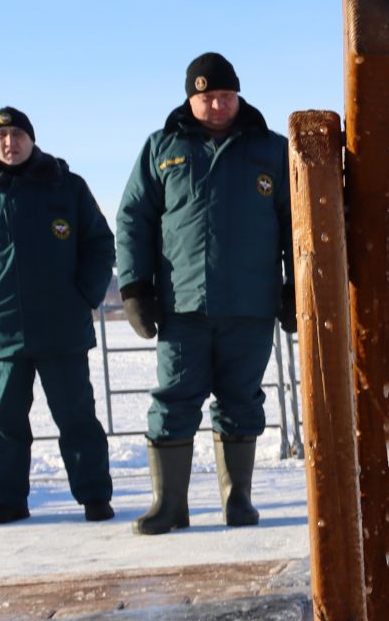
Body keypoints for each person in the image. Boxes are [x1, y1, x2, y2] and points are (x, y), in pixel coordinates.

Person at [117, 53, 294, 536]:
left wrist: (297, 289)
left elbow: (294, 223)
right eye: (206, 97)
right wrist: (134, 287)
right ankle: (168, 504)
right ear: (190, 98)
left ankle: (238, 500)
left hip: (250, 305)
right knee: (174, 400)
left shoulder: (272, 150)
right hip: (182, 305)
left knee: (241, 400)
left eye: (225, 95)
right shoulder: (162, 148)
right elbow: (134, 219)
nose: (217, 105)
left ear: (238, 95)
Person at [0, 107, 116, 525]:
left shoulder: (65, 186)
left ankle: (94, 496)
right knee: (6, 421)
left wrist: (85, 294)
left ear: (31, 139)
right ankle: (6, 500)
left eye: (17, 134)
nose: (9, 142)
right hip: (3, 328)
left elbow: (99, 242)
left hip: (62, 327)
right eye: (1, 137)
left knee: (76, 416)